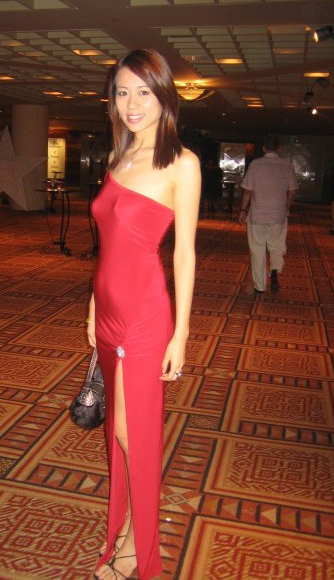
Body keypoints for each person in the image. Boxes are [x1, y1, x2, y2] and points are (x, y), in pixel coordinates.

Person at [87, 49, 200, 580]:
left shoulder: (181, 163)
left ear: (165, 97)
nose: (131, 104)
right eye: (122, 92)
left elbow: (184, 254)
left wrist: (182, 333)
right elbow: (108, 242)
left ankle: (139, 544)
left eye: (144, 92)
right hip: (107, 311)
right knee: (117, 433)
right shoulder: (119, 156)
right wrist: (93, 304)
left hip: (145, 315)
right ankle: (125, 527)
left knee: (134, 434)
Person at [239, 134, 299, 294]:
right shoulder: (287, 165)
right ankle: (274, 271)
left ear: (263, 148)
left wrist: (243, 210)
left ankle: (259, 286)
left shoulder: (255, 165)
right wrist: (286, 207)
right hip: (278, 215)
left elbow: (248, 191)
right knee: (277, 247)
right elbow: (292, 191)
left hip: (257, 215)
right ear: (279, 148)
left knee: (257, 250)